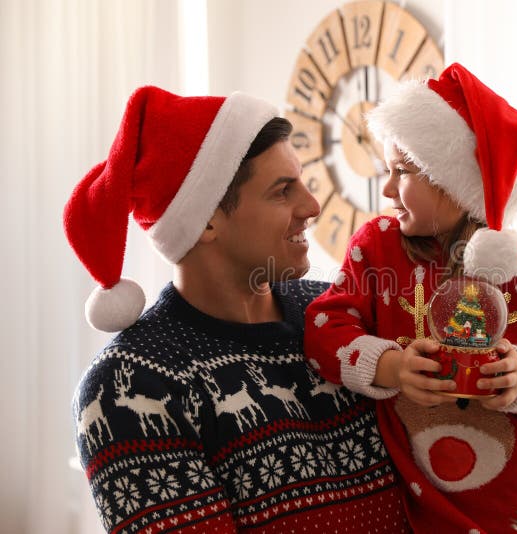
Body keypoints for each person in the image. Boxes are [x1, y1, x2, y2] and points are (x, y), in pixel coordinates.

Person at [65, 86, 409, 533]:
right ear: (206, 219)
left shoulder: (343, 312)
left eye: (301, 181)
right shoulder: (125, 389)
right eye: (283, 191)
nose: (312, 206)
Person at [304, 63, 517, 533]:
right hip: (412, 509)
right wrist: (392, 367)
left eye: (403, 172)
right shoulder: (377, 247)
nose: (388, 189)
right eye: (388, 170)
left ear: (455, 181)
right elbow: (324, 328)